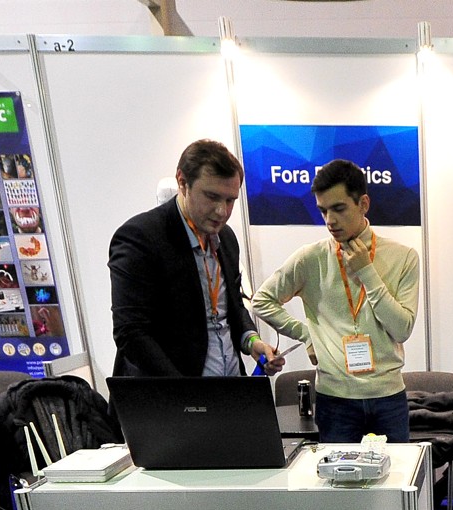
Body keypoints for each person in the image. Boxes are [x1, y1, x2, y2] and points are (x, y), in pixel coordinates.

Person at [251, 159, 420, 443]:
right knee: (338, 473)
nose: (329, 220)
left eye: (339, 209)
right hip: (335, 400)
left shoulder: (403, 257)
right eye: (323, 210)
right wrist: (307, 335)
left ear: (363, 204)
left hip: (388, 397)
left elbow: (402, 329)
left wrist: (367, 271)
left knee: (394, 472)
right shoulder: (311, 258)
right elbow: (262, 301)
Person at [109, 139, 283, 378]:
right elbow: (131, 333)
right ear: (182, 182)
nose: (222, 211)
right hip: (172, 393)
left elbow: (231, 306)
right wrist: (186, 393)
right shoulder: (140, 238)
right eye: (212, 196)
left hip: (231, 388)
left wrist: (252, 341)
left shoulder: (226, 238)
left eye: (230, 200)